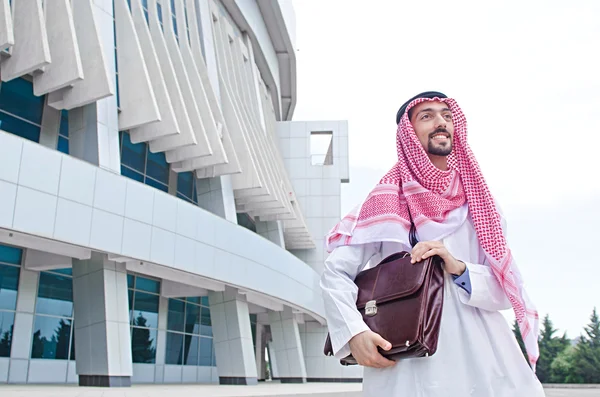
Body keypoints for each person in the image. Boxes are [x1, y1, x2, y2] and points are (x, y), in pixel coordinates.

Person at [320, 92, 545, 396]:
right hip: (410, 366)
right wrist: (355, 332)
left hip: (483, 361)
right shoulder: (385, 201)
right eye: (427, 116)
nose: (441, 122)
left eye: (447, 115)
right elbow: (335, 273)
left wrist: (458, 268)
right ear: (408, 134)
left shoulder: (480, 205)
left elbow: (505, 291)